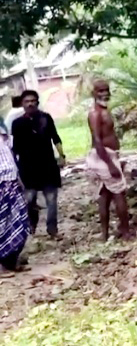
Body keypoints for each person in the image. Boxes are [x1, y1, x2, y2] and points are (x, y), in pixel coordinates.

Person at [10, 90, 64, 239]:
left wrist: (61, 155)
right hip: (28, 168)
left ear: (37, 102)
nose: (30, 103)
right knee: (29, 199)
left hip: (48, 165)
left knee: (52, 199)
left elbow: (56, 138)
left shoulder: (46, 118)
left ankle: (52, 229)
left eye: (33, 100)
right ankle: (31, 226)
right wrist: (14, 167)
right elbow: (15, 147)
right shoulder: (17, 123)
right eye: (27, 101)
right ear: (22, 104)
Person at [86, 79, 131, 240]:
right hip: (103, 156)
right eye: (100, 91)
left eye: (106, 90)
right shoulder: (95, 113)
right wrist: (110, 164)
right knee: (119, 193)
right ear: (93, 93)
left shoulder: (104, 111)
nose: (104, 93)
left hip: (107, 155)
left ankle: (105, 234)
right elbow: (97, 140)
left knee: (105, 195)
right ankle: (125, 232)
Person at [0, 141, 30, 276]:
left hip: (12, 182)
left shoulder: (3, 137)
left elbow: (10, 159)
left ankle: (11, 262)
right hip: (2, 185)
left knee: (19, 222)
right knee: (2, 226)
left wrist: (19, 180)